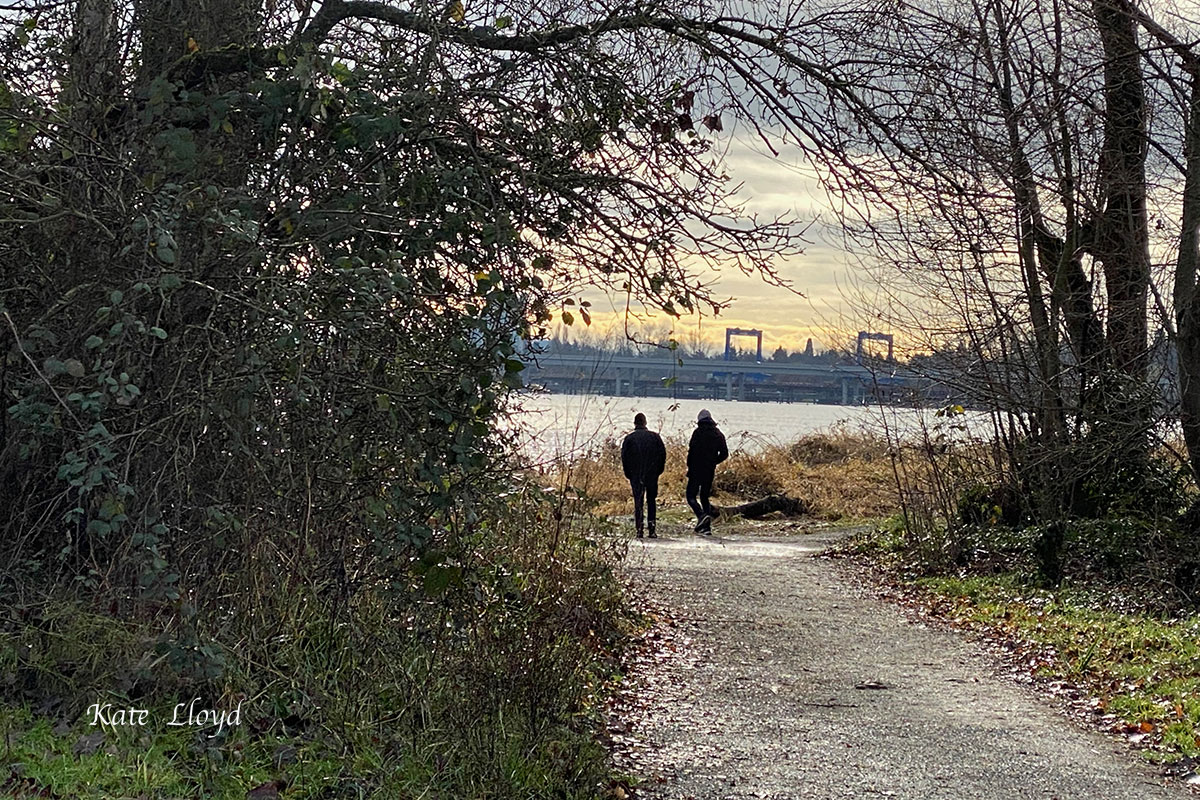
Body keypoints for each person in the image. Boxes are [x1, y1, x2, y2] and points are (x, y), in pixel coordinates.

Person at [621, 412, 667, 538]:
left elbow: (624, 457)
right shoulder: (655, 437)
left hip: (636, 474)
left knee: (638, 501)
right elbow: (662, 455)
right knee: (651, 501)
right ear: (645, 423)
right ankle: (652, 529)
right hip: (652, 474)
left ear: (635, 423)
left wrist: (628, 473)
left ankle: (639, 529)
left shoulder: (629, 439)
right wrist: (659, 470)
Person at [686, 409, 728, 534]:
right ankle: (706, 527)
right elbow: (724, 453)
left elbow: (691, 452)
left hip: (695, 469)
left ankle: (701, 516)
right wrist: (713, 462)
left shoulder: (698, 432)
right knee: (704, 497)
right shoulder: (718, 433)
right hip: (709, 470)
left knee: (690, 496)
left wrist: (689, 467)